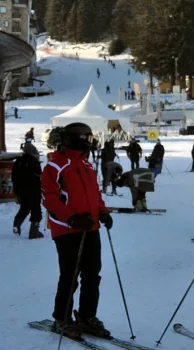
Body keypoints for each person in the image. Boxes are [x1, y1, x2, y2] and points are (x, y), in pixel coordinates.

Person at [41, 122, 114, 339]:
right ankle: (62, 318)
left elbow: (95, 193)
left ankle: (87, 316)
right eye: (86, 138)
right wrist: (71, 218)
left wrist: (102, 212)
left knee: (92, 275)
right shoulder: (55, 167)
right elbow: (50, 200)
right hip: (68, 231)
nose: (89, 143)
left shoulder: (87, 165)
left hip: (90, 227)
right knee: (70, 276)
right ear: (75, 139)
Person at [12, 142, 43, 239]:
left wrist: (16, 190)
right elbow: (39, 176)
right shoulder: (34, 162)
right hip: (33, 190)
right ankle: (34, 232)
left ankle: (16, 224)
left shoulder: (18, 161)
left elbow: (14, 177)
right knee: (36, 210)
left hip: (21, 189)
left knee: (24, 207)